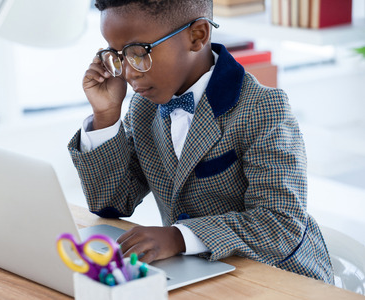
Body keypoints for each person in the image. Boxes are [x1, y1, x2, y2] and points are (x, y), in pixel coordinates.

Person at [68, 0, 334, 284]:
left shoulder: (263, 108)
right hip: (201, 275)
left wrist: (179, 237)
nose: (129, 73)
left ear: (198, 35)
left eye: (138, 52)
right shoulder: (143, 109)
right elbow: (112, 203)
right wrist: (106, 115)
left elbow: (280, 225)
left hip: (283, 279)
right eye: (118, 55)